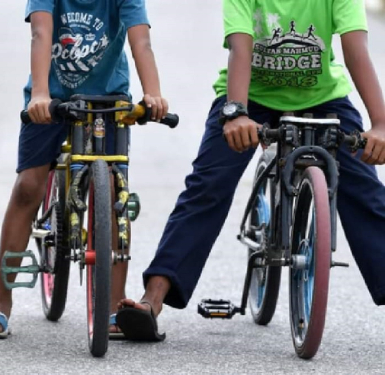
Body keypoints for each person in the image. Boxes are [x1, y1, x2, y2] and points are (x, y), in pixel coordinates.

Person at [116, 0, 385, 341]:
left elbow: (356, 50)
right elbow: (240, 50)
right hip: (250, 98)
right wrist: (236, 113)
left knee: (366, 192)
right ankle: (153, 299)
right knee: (207, 186)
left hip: (322, 99)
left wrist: (380, 123)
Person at [0, 0, 169, 339]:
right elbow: (40, 33)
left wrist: (152, 94)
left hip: (108, 99)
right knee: (28, 187)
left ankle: (113, 307)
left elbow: (141, 41)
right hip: (52, 100)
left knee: (114, 190)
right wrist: (39, 93)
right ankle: (1, 300)